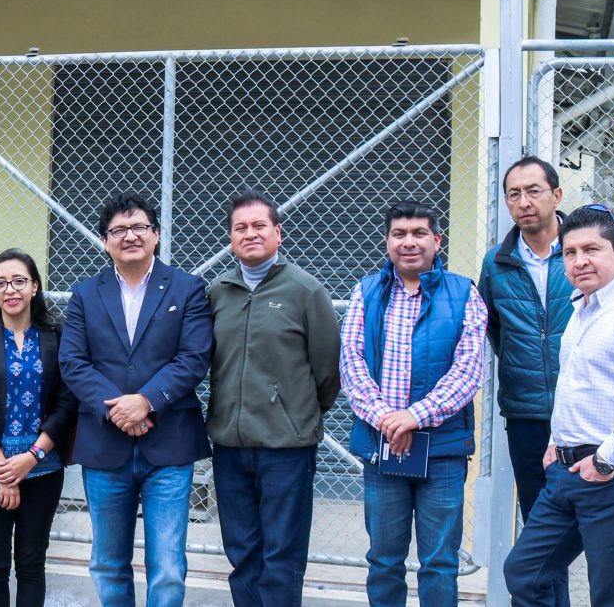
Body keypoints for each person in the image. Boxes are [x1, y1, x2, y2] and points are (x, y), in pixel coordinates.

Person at [504, 204, 614, 606]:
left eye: (592, 250)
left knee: (612, 595)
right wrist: (554, 441)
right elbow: (576, 385)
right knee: (525, 574)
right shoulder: (584, 307)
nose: (579, 261)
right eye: (569, 252)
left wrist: (605, 460)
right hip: (565, 471)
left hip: (611, 474)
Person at [59, 193, 213, 607]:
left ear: (156, 234)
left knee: (166, 568)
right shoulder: (85, 294)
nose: (130, 236)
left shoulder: (188, 288)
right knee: (108, 563)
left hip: (169, 447)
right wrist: (120, 409)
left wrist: (146, 401)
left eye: (139, 227)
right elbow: (72, 362)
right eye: (119, 230)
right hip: (105, 446)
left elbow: (194, 357)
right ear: (105, 241)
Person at [339, 201, 489, 607]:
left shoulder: (464, 294)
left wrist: (413, 417)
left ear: (436, 240)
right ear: (387, 241)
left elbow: (468, 371)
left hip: (441, 453)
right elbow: (351, 363)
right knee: (384, 561)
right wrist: (388, 420)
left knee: (439, 563)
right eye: (399, 234)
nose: (409, 242)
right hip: (382, 448)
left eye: (419, 233)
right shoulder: (366, 292)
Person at [205, 190, 341, 607]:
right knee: (243, 553)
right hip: (230, 446)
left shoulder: (305, 290)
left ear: (278, 233)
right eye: (240, 228)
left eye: (259, 226)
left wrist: (292, 413)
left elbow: (327, 372)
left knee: (281, 555)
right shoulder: (217, 293)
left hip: (286, 448)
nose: (250, 234)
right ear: (230, 237)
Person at [0, 248, 76, 607]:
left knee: (31, 564)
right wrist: (4, 470)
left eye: (19, 281)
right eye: (0, 283)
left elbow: (67, 402)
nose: (10, 289)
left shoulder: (57, 333)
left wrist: (33, 456)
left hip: (43, 464)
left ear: (35, 286)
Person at [479, 156, 577, 607]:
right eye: (514, 194)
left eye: (533, 190)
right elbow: (494, 327)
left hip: (581, 415)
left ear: (557, 195)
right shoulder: (496, 263)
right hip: (526, 416)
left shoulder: (582, 251)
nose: (524, 202)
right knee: (539, 524)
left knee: (576, 529)